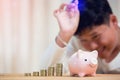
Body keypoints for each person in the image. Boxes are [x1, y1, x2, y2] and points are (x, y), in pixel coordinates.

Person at [40, 0, 120, 74]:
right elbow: (47, 72)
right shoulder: (77, 43)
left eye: (96, 36)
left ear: (113, 21)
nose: (92, 46)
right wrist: (64, 35)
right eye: (84, 40)